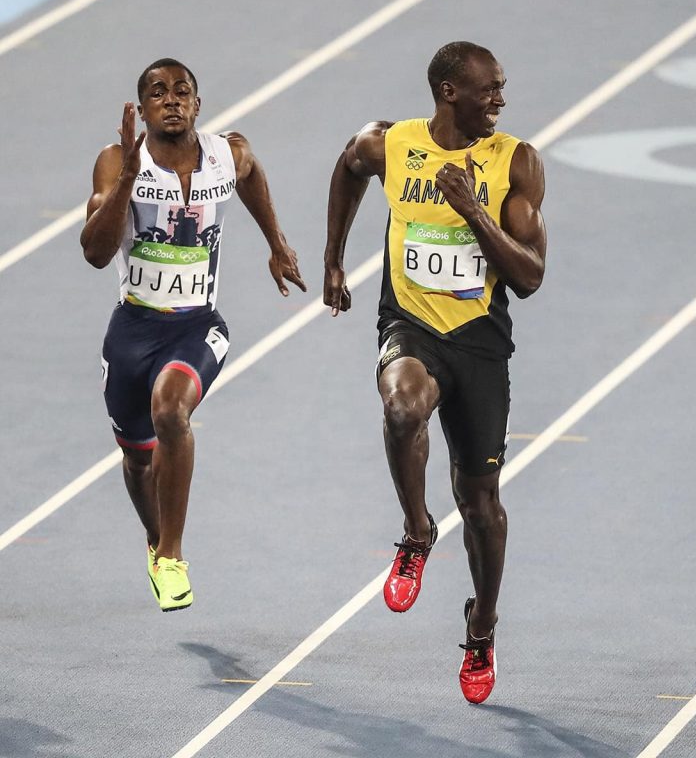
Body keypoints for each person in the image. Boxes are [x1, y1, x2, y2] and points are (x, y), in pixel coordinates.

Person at [322, 41, 547, 702]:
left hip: (479, 342)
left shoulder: (514, 162)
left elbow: (530, 277)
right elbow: (347, 166)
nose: (500, 101)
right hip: (412, 325)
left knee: (480, 506)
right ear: (450, 92)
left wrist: (474, 209)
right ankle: (418, 530)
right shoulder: (392, 145)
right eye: (490, 90)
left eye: (502, 89)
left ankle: (481, 625)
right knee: (400, 408)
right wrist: (334, 258)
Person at [81, 58, 306, 612]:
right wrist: (130, 178)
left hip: (197, 325)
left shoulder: (227, 154)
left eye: (183, 91)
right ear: (143, 109)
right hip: (133, 328)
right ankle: (157, 544)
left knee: (171, 410)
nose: (172, 99)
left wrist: (276, 244)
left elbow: (250, 176)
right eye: (158, 92)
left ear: (198, 105)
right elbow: (94, 252)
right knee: (137, 458)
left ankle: (173, 555)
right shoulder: (116, 162)